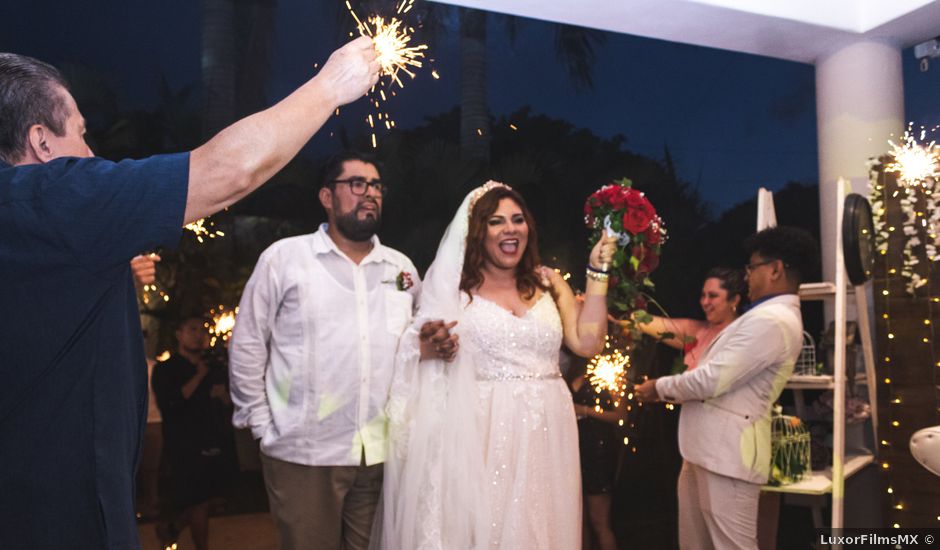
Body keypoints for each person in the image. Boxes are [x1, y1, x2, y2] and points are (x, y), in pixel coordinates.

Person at [0, 38, 379, 549]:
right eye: (82, 137)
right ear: (43, 143)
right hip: (60, 514)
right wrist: (332, 85)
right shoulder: (56, 195)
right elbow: (229, 170)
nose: (92, 156)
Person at [228, 150, 457, 550]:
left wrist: (435, 343)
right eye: (356, 184)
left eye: (376, 186)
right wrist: (263, 426)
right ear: (326, 197)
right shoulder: (285, 259)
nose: (369, 194)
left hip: (381, 453)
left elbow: (412, 345)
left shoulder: (400, 270)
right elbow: (248, 342)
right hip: (305, 452)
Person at [375, 182, 618, 550]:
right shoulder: (453, 292)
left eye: (518, 220)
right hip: (484, 432)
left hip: (550, 428)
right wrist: (431, 345)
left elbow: (588, 342)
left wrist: (598, 273)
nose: (510, 228)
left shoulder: (549, 284)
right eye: (496, 221)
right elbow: (416, 348)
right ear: (478, 233)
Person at [634, 226, 818, 550]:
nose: (746, 275)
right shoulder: (762, 315)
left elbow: (711, 380)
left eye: (752, 267)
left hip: (729, 456)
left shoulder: (772, 320)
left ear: (775, 270)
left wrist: (658, 388)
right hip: (706, 452)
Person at [151, 315, 236, 550]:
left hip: (213, 441)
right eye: (193, 329)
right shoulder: (166, 370)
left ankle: (173, 528)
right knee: (198, 501)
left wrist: (223, 396)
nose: (199, 336)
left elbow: (230, 404)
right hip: (183, 445)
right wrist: (198, 376)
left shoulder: (215, 368)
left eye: (203, 331)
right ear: (179, 334)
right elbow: (171, 403)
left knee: (211, 500)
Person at [617, 267, 747, 372]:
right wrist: (618, 313)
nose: (704, 302)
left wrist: (659, 389)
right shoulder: (696, 331)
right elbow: (647, 322)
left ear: (734, 300)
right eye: (703, 295)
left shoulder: (744, 338)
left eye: (712, 296)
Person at [568, 357, 628, 550]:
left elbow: (621, 416)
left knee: (599, 521)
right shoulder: (566, 371)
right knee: (577, 523)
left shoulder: (609, 371)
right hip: (572, 449)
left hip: (598, 451)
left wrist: (585, 410)